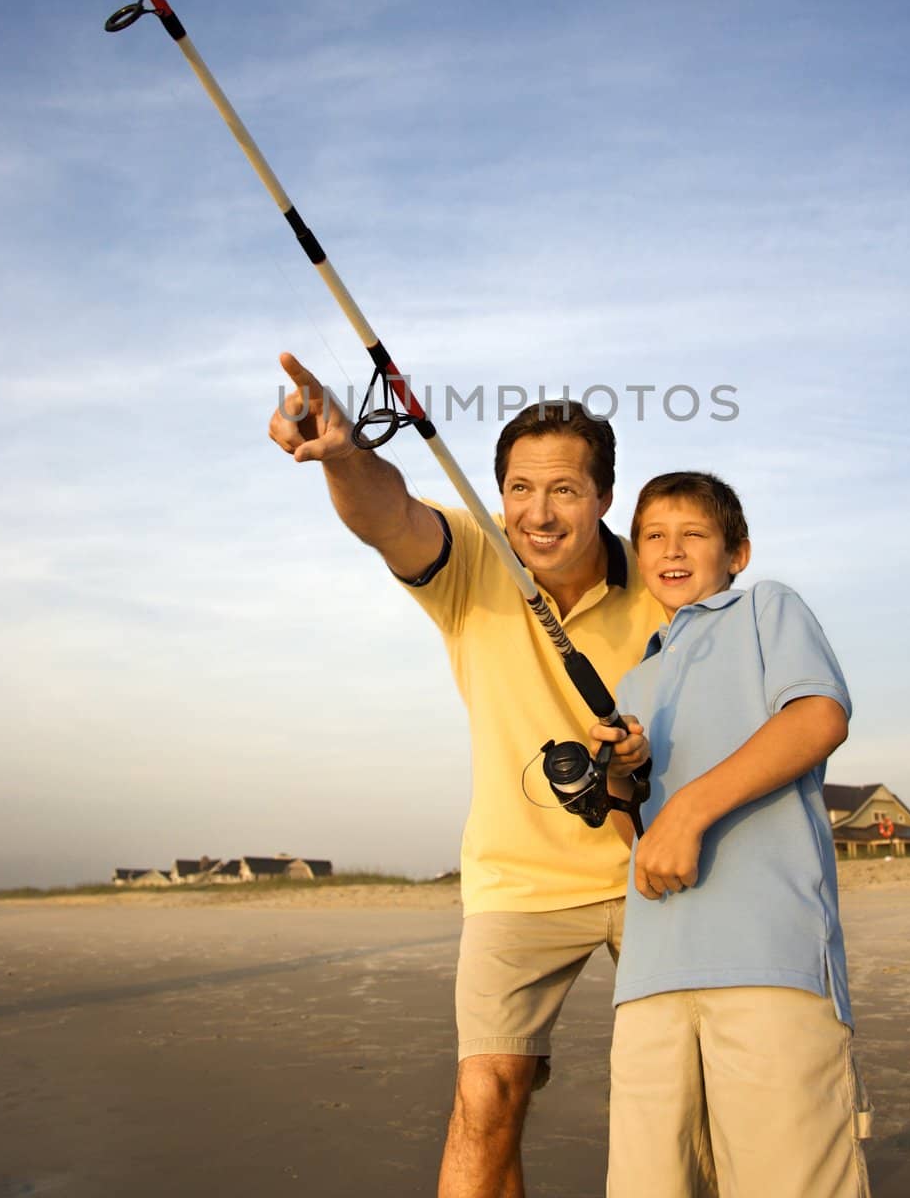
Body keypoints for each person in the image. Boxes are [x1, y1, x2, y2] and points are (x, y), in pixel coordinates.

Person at [269, 354, 662, 1198]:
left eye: (563, 490)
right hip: (514, 882)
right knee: (485, 1097)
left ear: (602, 497)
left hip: (654, 875)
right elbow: (389, 516)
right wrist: (341, 453)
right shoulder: (474, 555)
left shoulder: (662, 580)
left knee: (674, 1099)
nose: (538, 512)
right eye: (519, 488)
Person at [591, 471, 872, 1198]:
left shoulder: (764, 608)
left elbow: (816, 718)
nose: (670, 548)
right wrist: (620, 783)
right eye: (652, 534)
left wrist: (686, 809)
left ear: (736, 552)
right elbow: (640, 842)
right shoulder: (631, 682)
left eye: (694, 533)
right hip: (650, 977)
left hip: (767, 962)